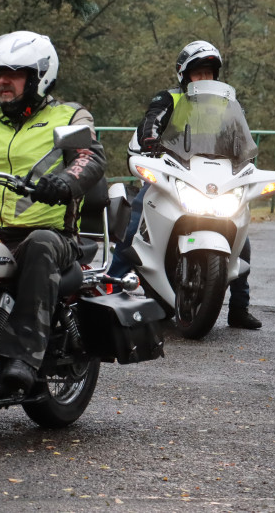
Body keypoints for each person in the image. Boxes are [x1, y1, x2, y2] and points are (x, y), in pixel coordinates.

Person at [0, 30, 107, 393]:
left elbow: (90, 157)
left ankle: (23, 357)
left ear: (38, 78)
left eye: (14, 74)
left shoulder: (68, 116)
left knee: (40, 244)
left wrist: (65, 182)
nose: (3, 81)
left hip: (51, 236)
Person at [107, 39, 262, 330]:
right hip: (170, 169)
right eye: (198, 72)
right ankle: (111, 285)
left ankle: (239, 307)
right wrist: (151, 140)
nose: (203, 78)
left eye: (208, 73)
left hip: (212, 177)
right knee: (139, 209)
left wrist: (246, 158)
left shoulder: (225, 106)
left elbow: (239, 138)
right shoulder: (168, 98)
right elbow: (151, 123)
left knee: (241, 231)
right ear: (184, 73)